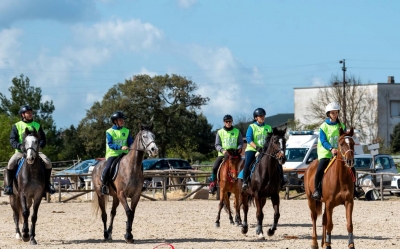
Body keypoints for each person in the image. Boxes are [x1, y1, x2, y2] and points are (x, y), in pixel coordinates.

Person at [312, 102, 361, 200]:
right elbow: (323, 140)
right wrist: (331, 149)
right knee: (320, 169)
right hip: (325, 152)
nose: (334, 115)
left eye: (336, 112)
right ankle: (317, 190)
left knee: (352, 168)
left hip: (340, 153)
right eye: (332, 113)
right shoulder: (323, 126)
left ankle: (354, 189)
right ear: (328, 114)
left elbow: (345, 138)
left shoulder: (341, 125)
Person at [3, 105, 55, 195]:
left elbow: (43, 139)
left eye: (31, 113)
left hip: (35, 151)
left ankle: (47, 184)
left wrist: (40, 146)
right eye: (28, 113)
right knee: (10, 163)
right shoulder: (17, 125)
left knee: (48, 162)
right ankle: (9, 187)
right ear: (23, 114)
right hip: (20, 152)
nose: (31, 114)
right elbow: (12, 139)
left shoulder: (37, 125)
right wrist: (19, 146)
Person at [208, 114, 243, 194]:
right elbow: (217, 144)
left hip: (235, 154)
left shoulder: (237, 131)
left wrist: (238, 148)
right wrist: (222, 150)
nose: (228, 123)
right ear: (224, 122)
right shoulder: (220, 132)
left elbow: (241, 142)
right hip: (224, 154)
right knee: (215, 167)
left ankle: (245, 183)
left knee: (244, 165)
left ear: (232, 122)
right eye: (226, 121)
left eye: (230, 121)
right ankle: (213, 184)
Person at [101, 111, 134, 195]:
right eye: (120, 120)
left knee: (139, 165)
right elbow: (110, 144)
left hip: (125, 154)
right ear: (115, 121)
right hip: (113, 154)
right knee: (108, 168)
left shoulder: (126, 131)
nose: (122, 121)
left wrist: (132, 146)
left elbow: (130, 142)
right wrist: (120, 147)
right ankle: (104, 185)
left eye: (123, 119)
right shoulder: (109, 131)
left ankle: (140, 184)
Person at [242, 108, 273, 190]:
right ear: (256, 118)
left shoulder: (268, 127)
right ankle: (245, 181)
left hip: (265, 150)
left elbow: (271, 140)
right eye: (260, 116)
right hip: (252, 149)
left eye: (263, 116)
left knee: (276, 163)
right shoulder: (251, 127)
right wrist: (256, 147)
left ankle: (282, 180)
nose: (262, 117)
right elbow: (248, 139)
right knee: (247, 164)